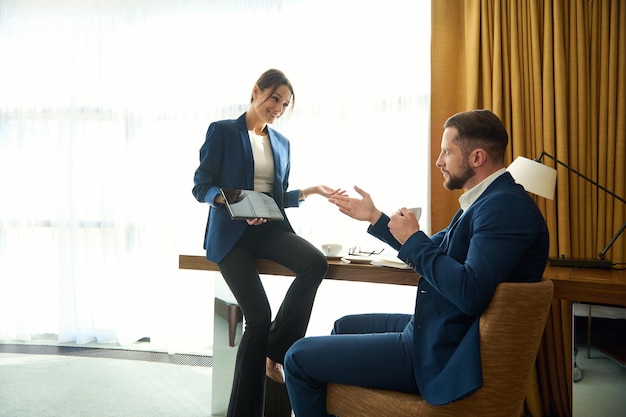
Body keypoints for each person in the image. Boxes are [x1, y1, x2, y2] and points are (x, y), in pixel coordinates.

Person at [283, 109, 550, 417]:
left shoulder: (504, 208)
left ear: (477, 158)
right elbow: (432, 248)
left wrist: (414, 238)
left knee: (298, 357)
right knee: (345, 325)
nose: (439, 162)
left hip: (443, 350)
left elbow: (469, 291)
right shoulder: (487, 200)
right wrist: (375, 217)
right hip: (441, 329)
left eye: (447, 152)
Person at [192, 69, 341, 417]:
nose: (278, 107)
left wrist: (311, 191)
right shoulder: (223, 131)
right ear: (256, 91)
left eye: (285, 104)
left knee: (315, 263)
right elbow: (202, 186)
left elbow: (274, 197)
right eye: (275, 98)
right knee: (258, 316)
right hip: (232, 235)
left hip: (269, 230)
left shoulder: (282, 143)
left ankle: (275, 349)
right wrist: (231, 202)